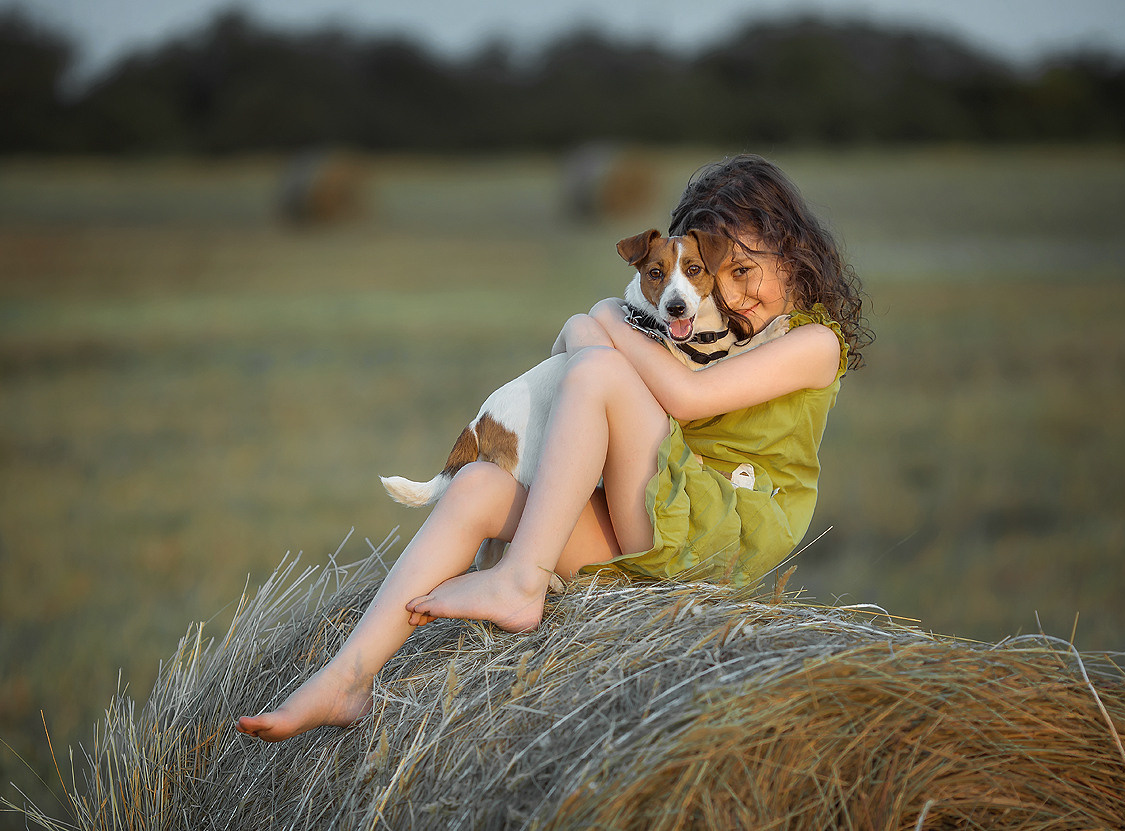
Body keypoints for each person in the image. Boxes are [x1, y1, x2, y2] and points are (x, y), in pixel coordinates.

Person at [236, 153, 870, 741]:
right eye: (717, 272)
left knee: (597, 369)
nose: (731, 293)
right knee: (479, 486)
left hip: (720, 529)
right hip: (655, 513)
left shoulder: (816, 344)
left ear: (797, 254)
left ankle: (520, 579)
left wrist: (594, 326)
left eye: (745, 268)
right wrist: (593, 330)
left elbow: (685, 400)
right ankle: (350, 677)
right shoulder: (715, 329)